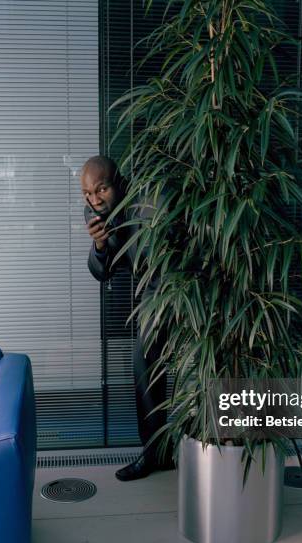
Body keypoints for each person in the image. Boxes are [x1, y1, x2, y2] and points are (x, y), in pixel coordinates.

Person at [81, 155, 172, 481]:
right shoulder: (99, 212)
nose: (94, 199)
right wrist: (101, 245)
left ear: (116, 182)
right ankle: (156, 454)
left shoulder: (148, 198)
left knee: (193, 372)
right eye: (87, 194)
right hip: (152, 294)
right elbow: (101, 271)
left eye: (100, 189)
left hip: (184, 287)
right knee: (144, 365)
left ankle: (198, 450)